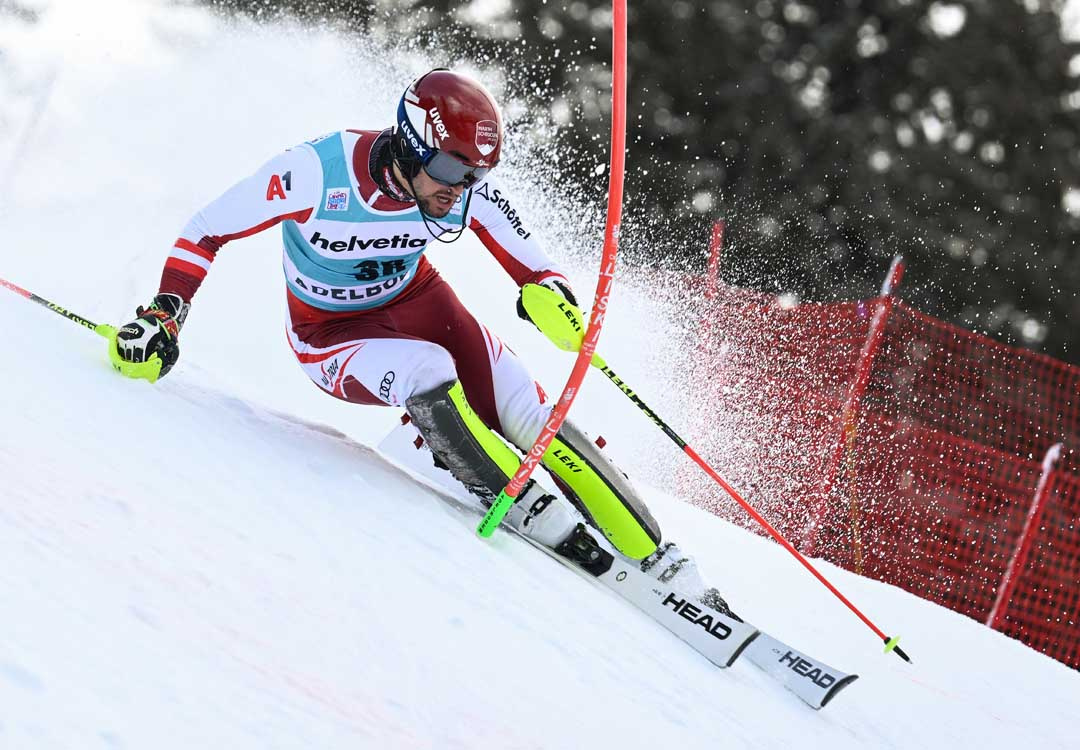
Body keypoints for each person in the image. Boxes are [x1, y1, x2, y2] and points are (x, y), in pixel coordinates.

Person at [110, 68, 735, 614]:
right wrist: (167, 314)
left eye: (473, 175)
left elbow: (531, 264)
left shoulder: (459, 187)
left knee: (526, 406)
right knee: (425, 369)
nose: (457, 189)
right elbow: (205, 230)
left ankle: (665, 562)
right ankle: (523, 505)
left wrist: (550, 295)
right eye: (446, 170)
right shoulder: (315, 172)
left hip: (421, 304)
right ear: (409, 146)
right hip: (330, 336)